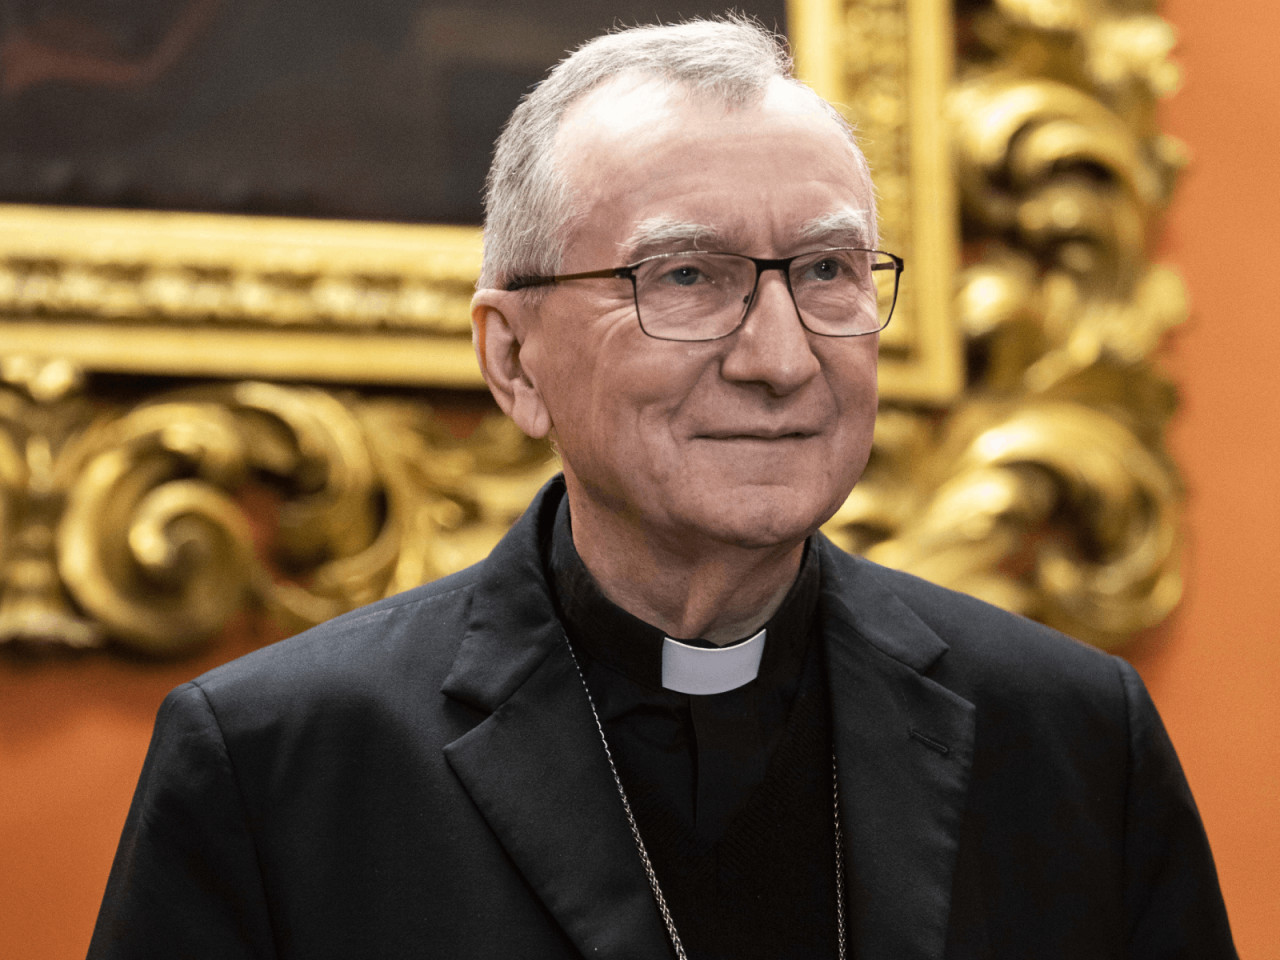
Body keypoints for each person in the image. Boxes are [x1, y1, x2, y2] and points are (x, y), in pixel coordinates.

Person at [89, 17, 1236, 960]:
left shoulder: (1073, 740)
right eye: (686, 276)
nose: (780, 356)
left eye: (828, 272)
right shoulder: (276, 766)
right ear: (510, 358)